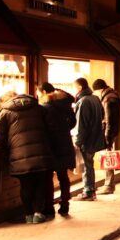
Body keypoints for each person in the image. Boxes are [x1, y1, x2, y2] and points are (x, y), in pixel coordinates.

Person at [0, 91, 53, 224]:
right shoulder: (38, 108)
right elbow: (50, 127)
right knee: (40, 184)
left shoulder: (5, 112)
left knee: (25, 185)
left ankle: (28, 215)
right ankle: (38, 214)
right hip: (41, 152)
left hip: (19, 155)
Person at [38, 83, 76, 217]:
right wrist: (63, 130)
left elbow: (42, 127)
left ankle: (48, 206)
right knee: (63, 176)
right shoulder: (66, 107)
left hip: (50, 145)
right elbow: (73, 123)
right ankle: (65, 204)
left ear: (43, 93)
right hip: (65, 143)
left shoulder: (44, 108)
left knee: (48, 176)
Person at [74, 77, 105, 201]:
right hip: (95, 137)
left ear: (80, 87)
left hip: (87, 139)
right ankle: (91, 190)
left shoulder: (83, 101)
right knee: (89, 164)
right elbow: (102, 115)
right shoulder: (95, 98)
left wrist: (78, 141)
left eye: (75, 87)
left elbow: (81, 124)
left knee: (87, 165)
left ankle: (88, 191)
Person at [92, 79, 120, 193]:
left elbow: (108, 119)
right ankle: (109, 184)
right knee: (108, 156)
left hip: (108, 131)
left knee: (107, 157)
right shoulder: (113, 96)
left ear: (100, 89)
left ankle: (109, 184)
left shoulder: (108, 99)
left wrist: (107, 135)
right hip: (113, 130)